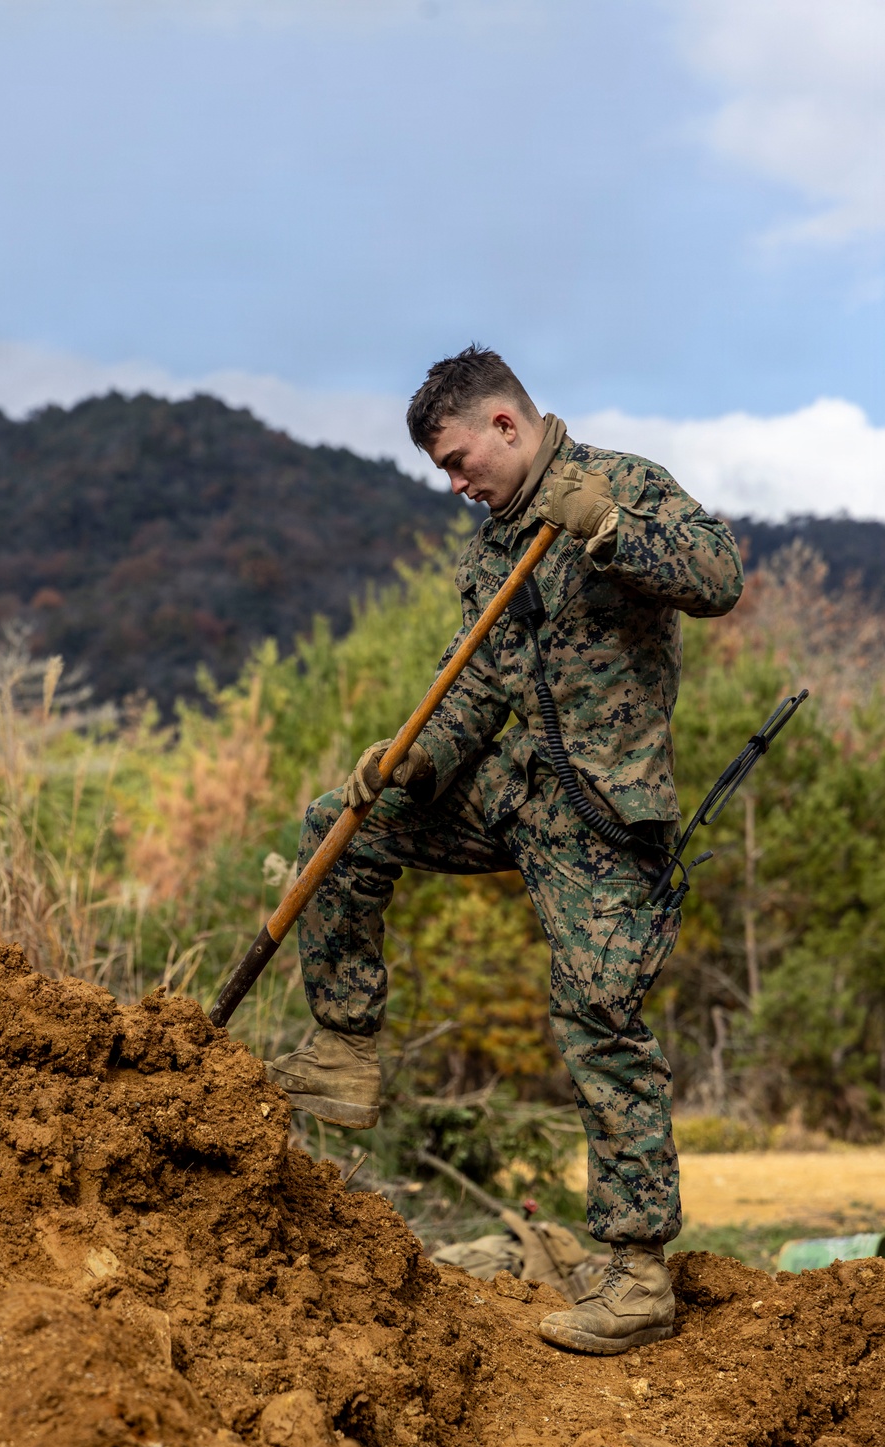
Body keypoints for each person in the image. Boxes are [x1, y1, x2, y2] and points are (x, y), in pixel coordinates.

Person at [267, 346, 744, 1354]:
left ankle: (634, 1275)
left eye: (454, 459)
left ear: (505, 426)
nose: (454, 482)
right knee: (341, 822)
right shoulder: (492, 547)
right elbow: (476, 683)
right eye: (441, 470)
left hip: (607, 813)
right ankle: (345, 1044)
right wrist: (408, 760)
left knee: (598, 1018)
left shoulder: (621, 486)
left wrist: (606, 532)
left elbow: (718, 576)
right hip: (517, 791)